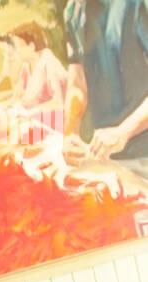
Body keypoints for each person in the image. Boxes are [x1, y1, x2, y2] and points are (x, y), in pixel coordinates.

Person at [62, 0, 148, 175]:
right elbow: (77, 83)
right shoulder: (72, 12)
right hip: (106, 158)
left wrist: (123, 132)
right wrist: (70, 131)